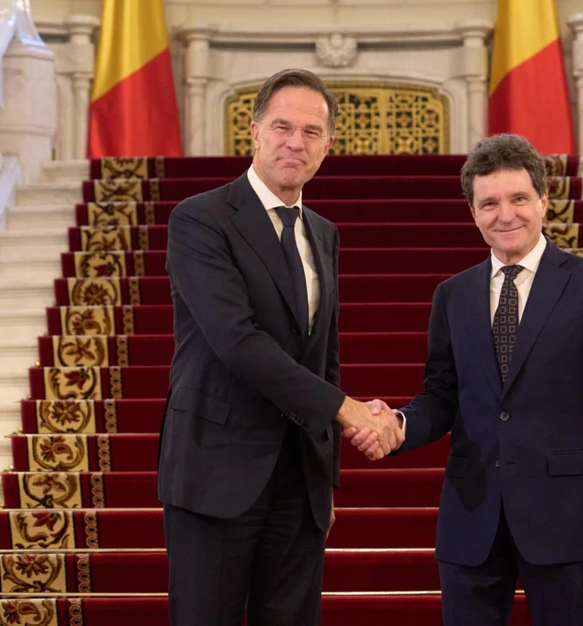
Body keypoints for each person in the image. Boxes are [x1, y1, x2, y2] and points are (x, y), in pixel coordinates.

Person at [358, 134, 583, 625]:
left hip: (568, 519)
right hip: (471, 520)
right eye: (489, 203)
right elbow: (442, 397)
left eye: (518, 198)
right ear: (473, 212)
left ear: (543, 199)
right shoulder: (452, 295)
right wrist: (398, 424)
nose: (505, 215)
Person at [157, 68, 403, 626]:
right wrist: (346, 411)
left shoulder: (324, 233)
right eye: (282, 127)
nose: (296, 142)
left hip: (299, 482)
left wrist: (325, 478)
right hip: (215, 470)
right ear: (255, 132)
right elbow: (237, 340)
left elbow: (324, 355)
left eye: (312, 132)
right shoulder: (199, 219)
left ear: (328, 145)